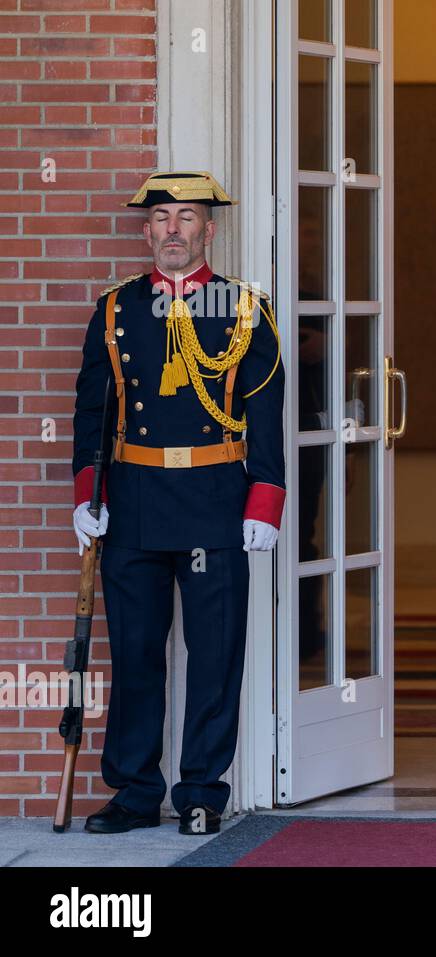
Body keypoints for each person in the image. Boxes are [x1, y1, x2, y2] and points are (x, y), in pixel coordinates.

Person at [71, 171, 286, 835]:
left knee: (215, 655)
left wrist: (265, 500)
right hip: (134, 502)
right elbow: (90, 412)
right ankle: (136, 791)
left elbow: (267, 413)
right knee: (135, 653)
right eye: (162, 218)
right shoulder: (115, 309)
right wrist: (88, 492)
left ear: (208, 230)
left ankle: (202, 791)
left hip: (215, 501)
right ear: (146, 232)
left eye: (186, 217)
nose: (172, 230)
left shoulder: (243, 309)